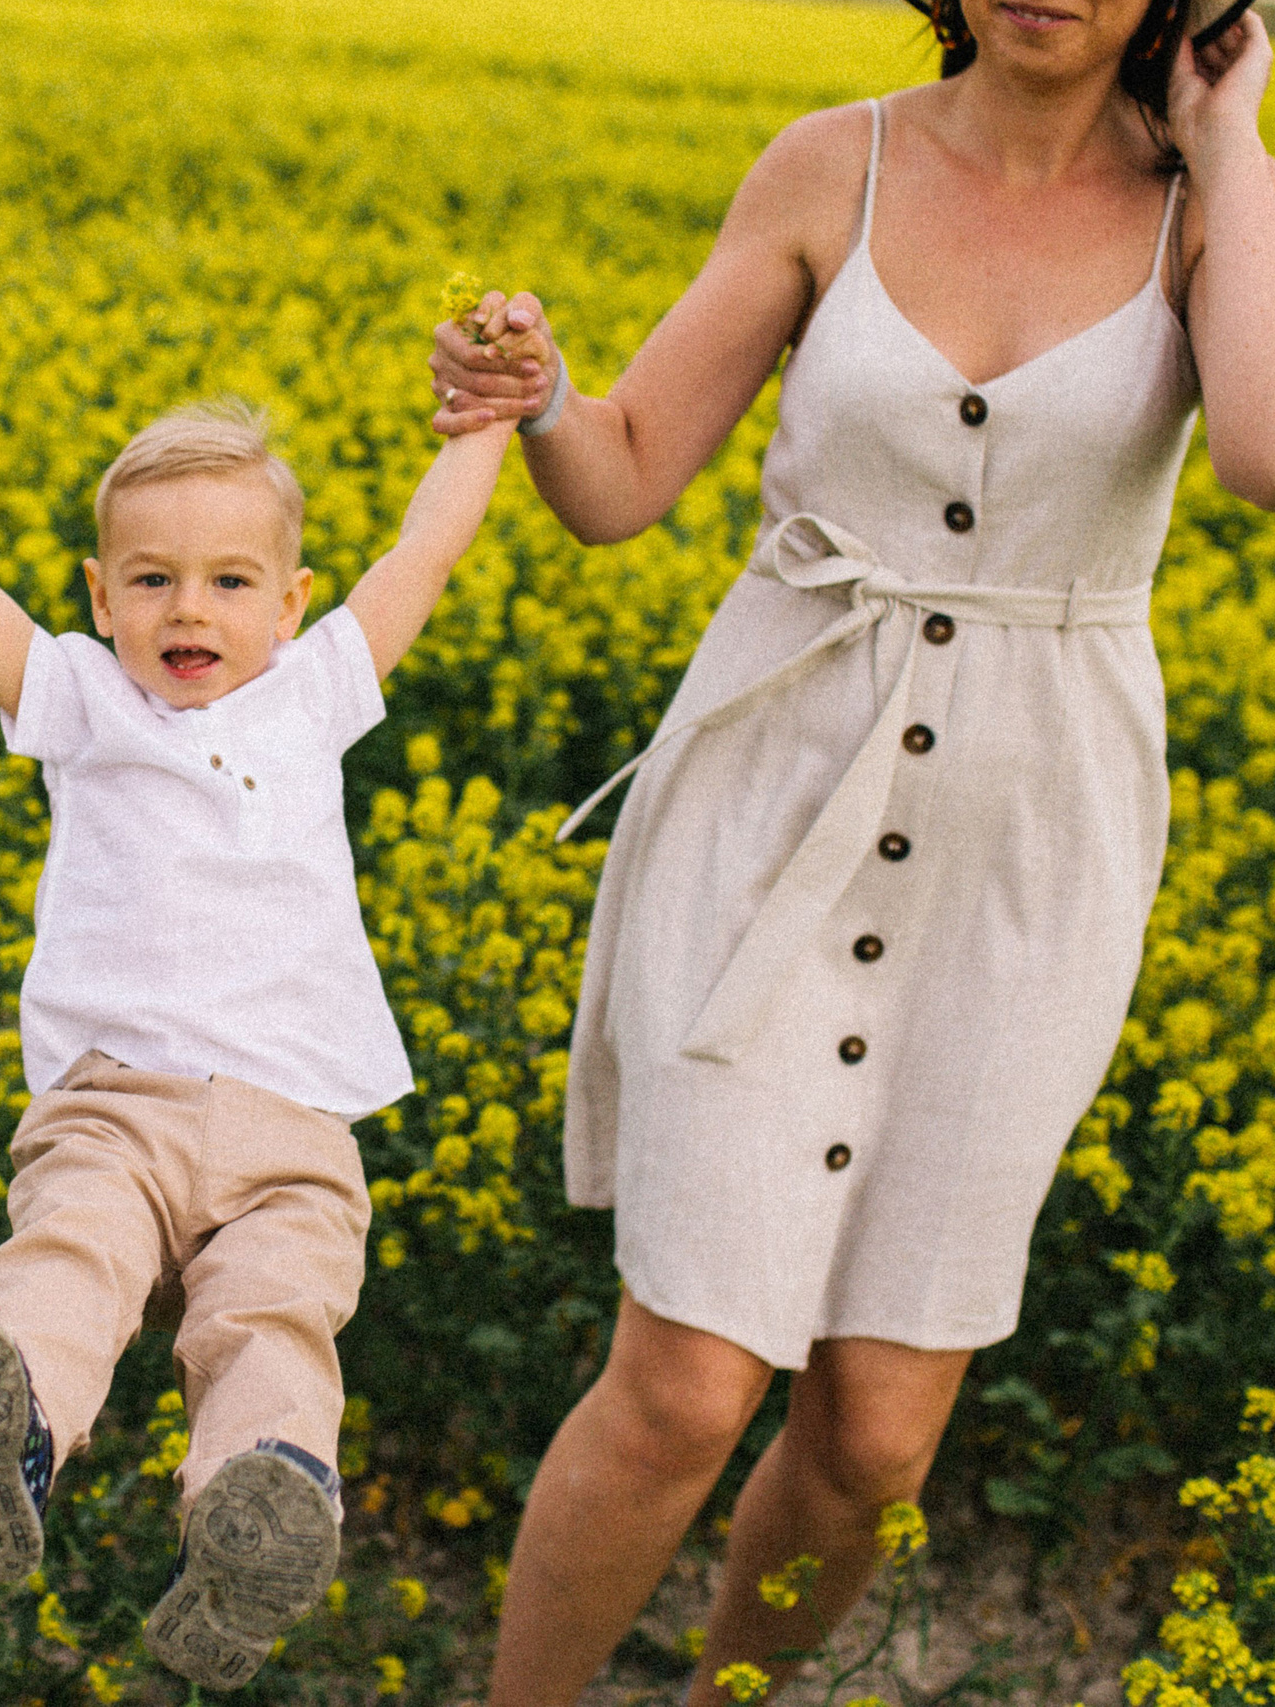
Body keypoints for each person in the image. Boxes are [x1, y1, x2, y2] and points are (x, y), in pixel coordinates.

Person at [426, 1, 1275, 1700]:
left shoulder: (1210, 212)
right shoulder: (837, 161)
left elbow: (1259, 455)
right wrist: (538, 400)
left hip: (1028, 857)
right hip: (770, 809)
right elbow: (625, 479)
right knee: (681, 1385)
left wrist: (1233, 136)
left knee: (880, 1435)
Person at [0, 301, 517, 1690]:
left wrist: (487, 419)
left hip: (295, 1124)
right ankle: (2, 1430)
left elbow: (426, 549)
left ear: (294, 601)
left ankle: (256, 1510)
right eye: (149, 582)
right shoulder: (83, 702)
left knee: (273, 1321)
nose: (187, 609)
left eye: (227, 582)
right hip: (117, 1102)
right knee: (67, 1260)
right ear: (97, 598)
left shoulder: (317, 693)